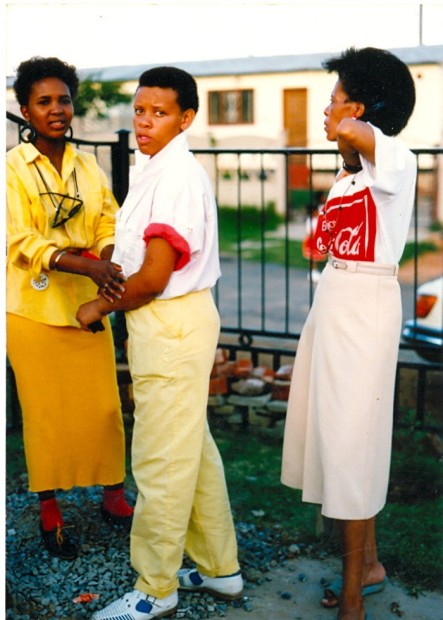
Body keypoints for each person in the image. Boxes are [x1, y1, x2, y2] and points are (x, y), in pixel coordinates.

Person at [76, 66, 243, 620]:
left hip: (169, 319)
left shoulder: (175, 176)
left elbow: (151, 277)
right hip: (169, 322)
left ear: (186, 118)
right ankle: (220, 570)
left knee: (160, 460)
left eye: (159, 112)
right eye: (140, 111)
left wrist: (98, 304)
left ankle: (155, 589)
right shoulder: (158, 167)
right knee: (191, 449)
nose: (144, 122)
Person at [281, 47, 416, 620]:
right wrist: (344, 139)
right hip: (334, 305)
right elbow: (323, 245)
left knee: (352, 448)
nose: (325, 109)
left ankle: (355, 596)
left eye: (333, 98)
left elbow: (360, 132)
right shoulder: (347, 176)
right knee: (338, 444)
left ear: (359, 107)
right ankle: (369, 564)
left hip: (365, 310)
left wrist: (350, 121)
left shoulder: (398, 161)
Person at [6, 56, 133, 561]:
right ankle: (50, 511)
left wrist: (105, 260)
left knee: (103, 407)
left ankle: (113, 496)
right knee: (45, 416)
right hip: (32, 309)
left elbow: (108, 220)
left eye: (63, 100)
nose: (56, 110)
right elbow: (19, 238)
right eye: (43, 102)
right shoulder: (11, 170)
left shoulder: (86, 164)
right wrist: (87, 269)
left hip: (87, 307)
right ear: (25, 111)